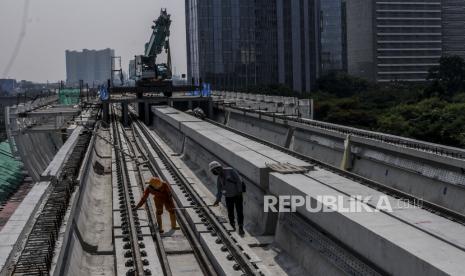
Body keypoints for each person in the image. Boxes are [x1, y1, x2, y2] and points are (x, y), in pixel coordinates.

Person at [209, 161, 246, 235]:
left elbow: (239, 181)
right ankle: (232, 225)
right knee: (230, 212)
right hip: (228, 197)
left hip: (237, 195)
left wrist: (239, 191)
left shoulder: (230, 170)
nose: (215, 172)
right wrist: (217, 200)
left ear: (218, 168)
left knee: (239, 212)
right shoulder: (219, 178)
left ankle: (241, 227)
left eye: (215, 170)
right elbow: (219, 190)